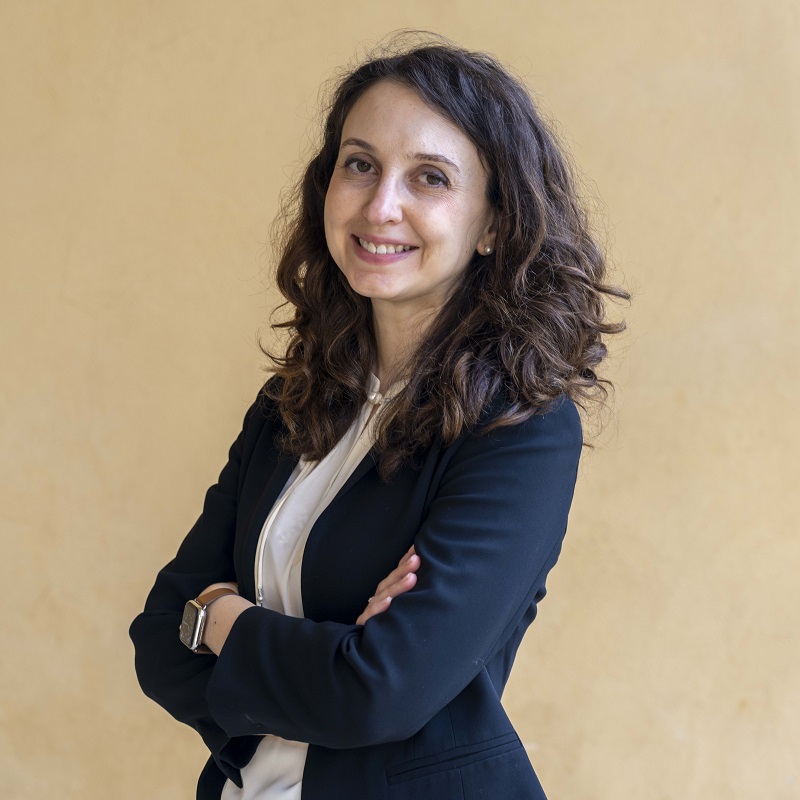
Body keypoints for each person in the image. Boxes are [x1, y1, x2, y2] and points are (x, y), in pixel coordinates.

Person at [130, 33, 627, 800]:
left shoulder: (520, 430)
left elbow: (377, 693)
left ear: (494, 224)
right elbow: (159, 644)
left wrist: (221, 620)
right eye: (360, 164)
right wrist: (328, 659)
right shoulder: (292, 402)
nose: (380, 206)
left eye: (430, 177)